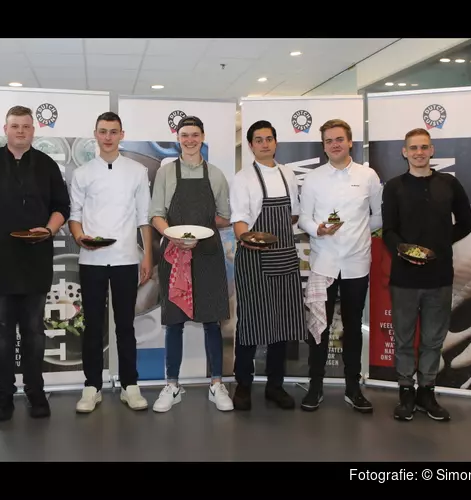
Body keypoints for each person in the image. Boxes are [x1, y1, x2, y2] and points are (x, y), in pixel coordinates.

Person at [0, 105, 70, 422]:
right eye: (14, 126)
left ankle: (36, 393)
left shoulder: (47, 165)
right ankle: (3, 396)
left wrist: (49, 229)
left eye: (26, 126)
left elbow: (62, 206)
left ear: (33, 130)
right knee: (2, 332)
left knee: (35, 331)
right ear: (5, 129)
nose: (20, 131)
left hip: (36, 259)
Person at [382, 127, 471, 422]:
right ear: (404, 152)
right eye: (413, 148)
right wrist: (405, 251)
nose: (419, 152)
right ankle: (406, 391)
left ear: (432, 150)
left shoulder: (449, 184)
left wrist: (440, 244)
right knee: (405, 339)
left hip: (440, 276)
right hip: (404, 279)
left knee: (434, 339)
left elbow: (466, 223)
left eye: (424, 147)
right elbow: (388, 231)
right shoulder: (394, 186)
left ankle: (427, 392)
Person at [68, 111, 153, 413]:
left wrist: (148, 259)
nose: (107, 137)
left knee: (125, 325)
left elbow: (144, 218)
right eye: (103, 131)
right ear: (95, 134)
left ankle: (131, 384)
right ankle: (92, 386)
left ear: (121, 134)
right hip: (91, 258)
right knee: (92, 325)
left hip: (126, 259)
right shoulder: (83, 173)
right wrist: (80, 238)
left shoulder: (137, 171)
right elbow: (74, 216)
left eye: (113, 131)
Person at [149, 115, 233, 413]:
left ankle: (216, 384)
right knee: (174, 322)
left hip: (208, 254)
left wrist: (203, 228)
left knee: (212, 320)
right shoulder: (166, 173)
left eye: (195, 135)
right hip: (175, 253)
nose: (190, 140)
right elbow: (157, 214)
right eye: (185, 135)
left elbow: (223, 216)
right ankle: (172, 384)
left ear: (203, 137)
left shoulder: (217, 175)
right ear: (177, 137)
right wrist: (175, 235)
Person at [298, 118, 382, 413]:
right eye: (329, 141)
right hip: (324, 263)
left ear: (350, 142)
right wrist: (318, 229)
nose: (334, 144)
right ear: (323, 147)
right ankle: (315, 386)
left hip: (357, 264)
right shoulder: (313, 179)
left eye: (339, 139)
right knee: (318, 329)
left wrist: (357, 232)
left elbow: (378, 216)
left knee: (353, 328)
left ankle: (352, 387)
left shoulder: (368, 175)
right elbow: (303, 218)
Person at [228, 120, 307, 411]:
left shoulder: (288, 173)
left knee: (282, 323)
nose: (264, 144)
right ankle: (243, 385)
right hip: (253, 257)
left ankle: (275, 385)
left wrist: (275, 237)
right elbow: (238, 219)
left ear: (276, 142)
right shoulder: (243, 177)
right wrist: (247, 239)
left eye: (269, 139)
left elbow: (293, 216)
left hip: (284, 255)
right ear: (250, 145)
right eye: (258, 140)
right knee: (250, 323)